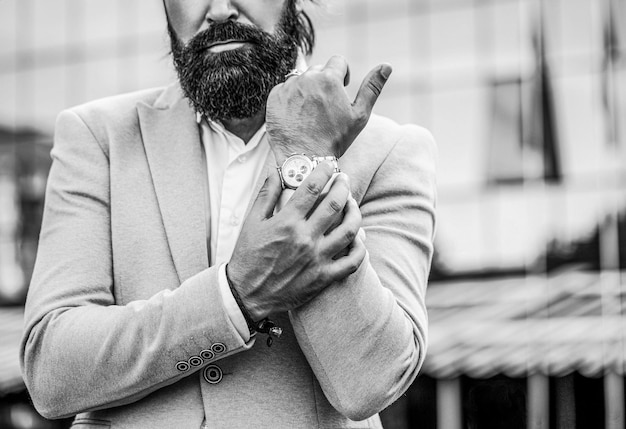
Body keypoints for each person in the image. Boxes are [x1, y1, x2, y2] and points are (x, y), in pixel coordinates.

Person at [20, 1, 437, 428]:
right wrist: (235, 297)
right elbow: (50, 373)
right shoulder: (97, 138)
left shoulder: (391, 152)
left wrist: (304, 161)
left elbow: (370, 384)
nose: (218, 10)